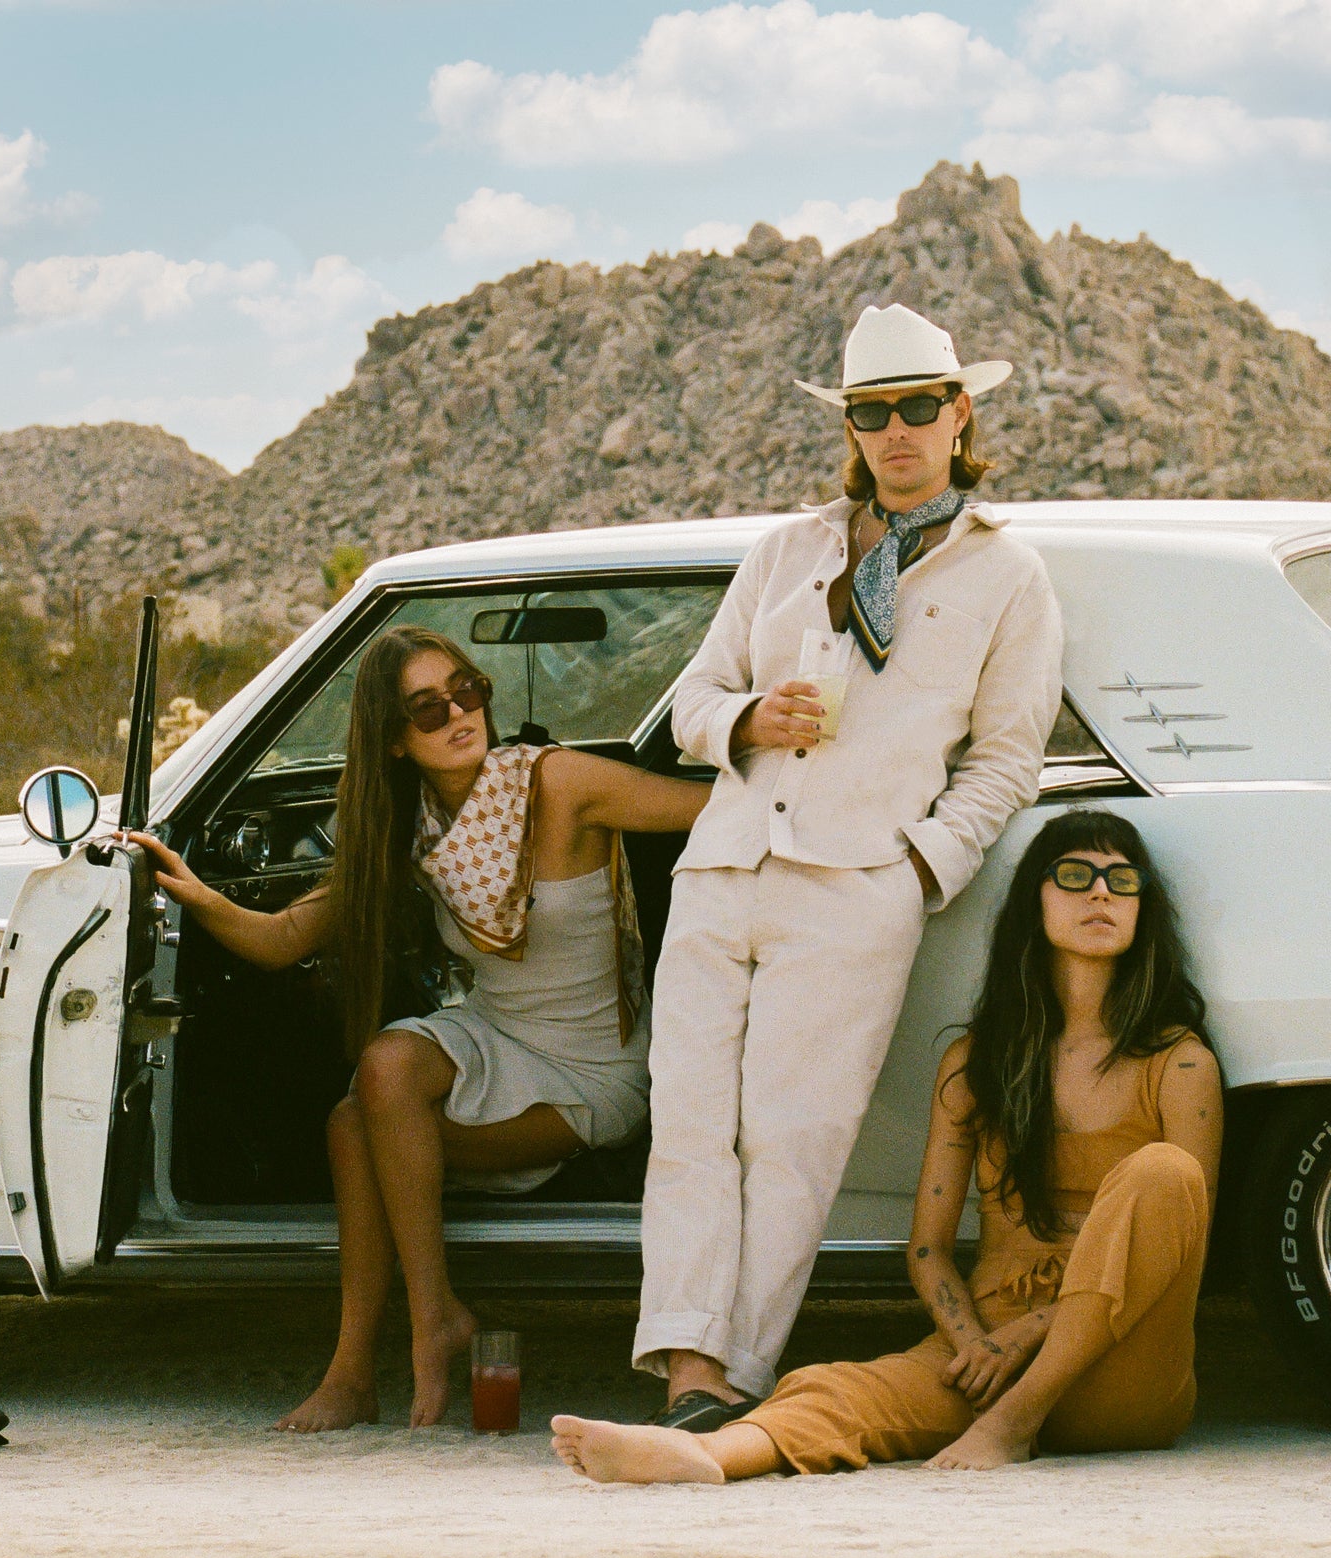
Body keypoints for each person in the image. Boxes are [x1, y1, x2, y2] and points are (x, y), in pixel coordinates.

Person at [629, 301, 1065, 1431]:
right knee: (686, 1119)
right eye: (874, 413)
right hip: (726, 863)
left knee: (793, 1134)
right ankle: (683, 1360)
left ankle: (735, 1379)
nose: (898, 431)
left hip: (858, 887)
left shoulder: (1006, 577)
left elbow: (1008, 759)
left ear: (962, 413)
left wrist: (916, 871)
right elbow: (689, 705)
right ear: (854, 427)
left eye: (921, 407)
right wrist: (749, 719)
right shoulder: (790, 551)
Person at [132, 625, 708, 1431]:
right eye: (427, 708)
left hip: (590, 1069)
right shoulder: (411, 835)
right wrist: (190, 892)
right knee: (382, 1072)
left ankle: (375, 1356)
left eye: (467, 690)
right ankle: (404, 1335)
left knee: (355, 1129)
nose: (458, 714)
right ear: (394, 741)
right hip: (495, 1031)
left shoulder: (560, 783)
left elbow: (713, 807)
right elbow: (282, 940)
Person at [551, 809, 1223, 1483]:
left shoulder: (1180, 1065)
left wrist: (1022, 1339)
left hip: (1123, 1367)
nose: (1101, 892)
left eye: (1121, 879)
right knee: (836, 1390)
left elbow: (1181, 1237)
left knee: (1164, 1174)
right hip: (982, 1352)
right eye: (1075, 875)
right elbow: (928, 1248)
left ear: (1143, 908)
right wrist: (971, 1343)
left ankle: (1010, 1428)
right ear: (1034, 902)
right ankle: (704, 1456)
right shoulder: (977, 1064)